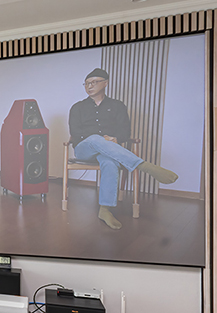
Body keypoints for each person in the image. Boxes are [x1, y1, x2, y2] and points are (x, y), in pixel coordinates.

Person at [68, 68, 178, 229]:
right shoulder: (77, 107)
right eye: (86, 83)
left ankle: (105, 209)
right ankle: (143, 165)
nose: (89, 86)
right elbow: (76, 133)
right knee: (95, 138)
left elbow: (125, 131)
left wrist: (116, 139)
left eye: (94, 82)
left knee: (110, 162)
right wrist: (100, 140)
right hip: (84, 149)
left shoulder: (118, 106)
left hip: (110, 149)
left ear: (106, 83)